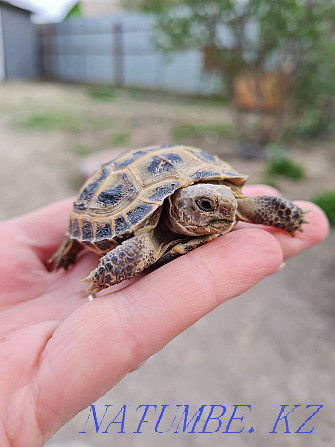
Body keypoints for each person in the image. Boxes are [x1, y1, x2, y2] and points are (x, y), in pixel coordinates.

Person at [0, 185, 328, 446]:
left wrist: (290, 217)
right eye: (205, 206)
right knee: (116, 263)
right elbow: (127, 253)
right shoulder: (149, 237)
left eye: (228, 203)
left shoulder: (228, 204)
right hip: (145, 220)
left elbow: (245, 205)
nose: (226, 212)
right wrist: (101, 277)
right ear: (176, 205)